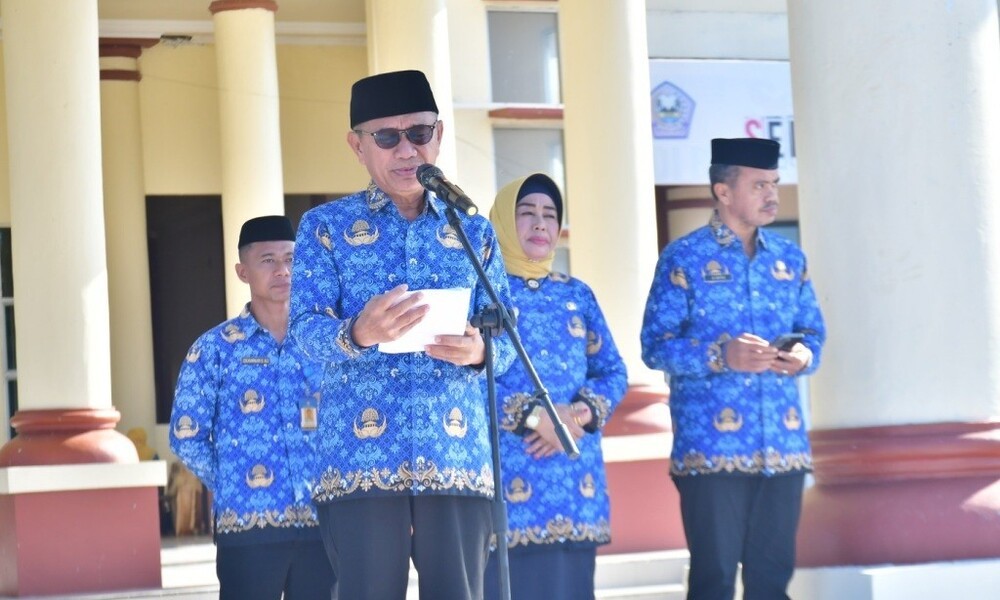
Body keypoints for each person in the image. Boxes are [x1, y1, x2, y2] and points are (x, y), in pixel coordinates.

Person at [288, 69, 515, 600]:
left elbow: (507, 339)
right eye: (387, 137)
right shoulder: (326, 227)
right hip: (360, 462)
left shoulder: (472, 229)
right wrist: (357, 332)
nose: (407, 149)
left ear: (439, 135)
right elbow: (302, 332)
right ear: (358, 147)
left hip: (455, 456)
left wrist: (480, 351)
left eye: (418, 132)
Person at [640, 138, 826, 600]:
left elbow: (812, 334)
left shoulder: (789, 259)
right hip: (711, 451)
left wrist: (803, 356)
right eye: (759, 184)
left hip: (782, 447)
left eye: (775, 183)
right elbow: (655, 346)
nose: (772, 194)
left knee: (772, 582)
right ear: (723, 191)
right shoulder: (683, 258)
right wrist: (722, 355)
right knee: (714, 580)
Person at [169, 216, 335, 600]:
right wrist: (233, 480)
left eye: (291, 259)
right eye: (268, 260)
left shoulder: (327, 344)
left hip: (325, 525)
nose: (283, 271)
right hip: (247, 529)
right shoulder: (215, 349)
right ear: (243, 272)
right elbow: (185, 435)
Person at [483, 174, 628, 600]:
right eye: (526, 213)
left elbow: (612, 372)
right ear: (503, 222)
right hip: (508, 488)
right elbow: (462, 381)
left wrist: (576, 416)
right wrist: (534, 418)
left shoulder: (578, 295)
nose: (540, 224)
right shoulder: (481, 297)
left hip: (575, 485)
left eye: (550, 215)